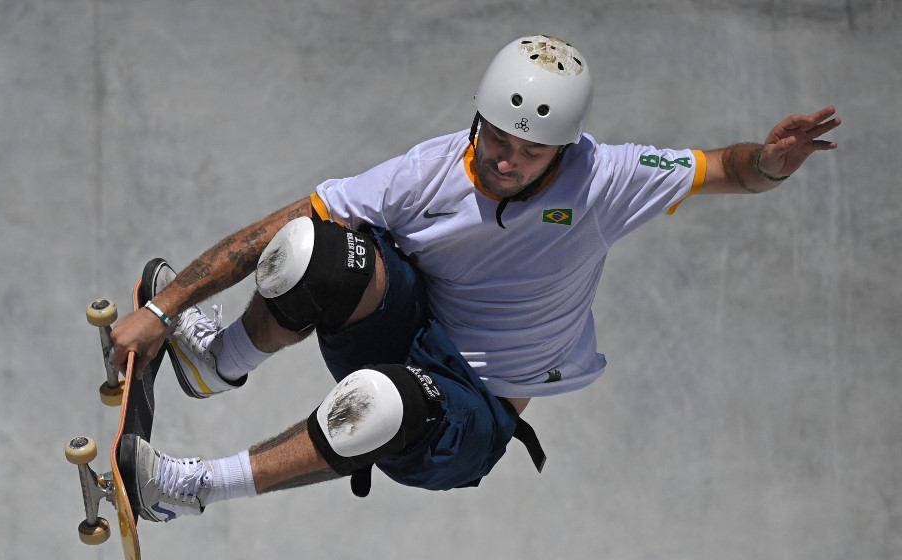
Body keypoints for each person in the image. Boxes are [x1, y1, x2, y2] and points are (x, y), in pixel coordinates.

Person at [109, 35, 841, 522]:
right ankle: (218, 363)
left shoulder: (606, 180)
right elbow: (280, 223)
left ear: (564, 148)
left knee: (383, 400)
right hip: (406, 330)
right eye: (494, 137)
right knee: (314, 246)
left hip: (470, 412)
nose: (504, 161)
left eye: (529, 152)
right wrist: (167, 310)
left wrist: (769, 163)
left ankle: (186, 488)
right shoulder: (427, 170)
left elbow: (727, 170)